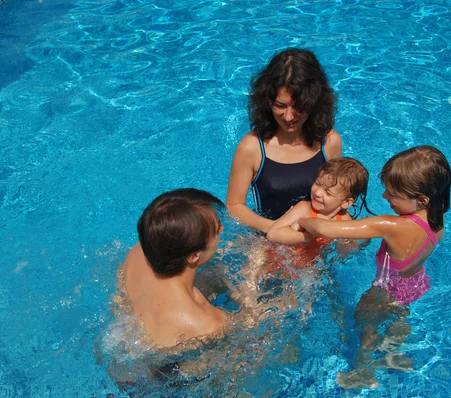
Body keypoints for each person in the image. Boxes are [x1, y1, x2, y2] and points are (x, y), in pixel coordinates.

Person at [298, 145, 451, 389]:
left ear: (421, 199)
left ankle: (362, 371)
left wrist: (302, 216)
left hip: (385, 289)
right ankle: (395, 355)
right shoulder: (438, 220)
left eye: (392, 194)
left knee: (365, 323)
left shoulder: (392, 225)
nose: (384, 197)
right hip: (414, 284)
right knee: (399, 314)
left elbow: (325, 229)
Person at [226, 48, 342, 233]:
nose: (288, 117)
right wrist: (278, 229)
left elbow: (337, 195)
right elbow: (234, 206)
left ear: (314, 102)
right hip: (266, 238)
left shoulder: (329, 142)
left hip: (313, 235)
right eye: (280, 106)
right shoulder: (252, 147)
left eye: (299, 107)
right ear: (267, 103)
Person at [119, 188, 227, 348]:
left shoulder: (138, 253)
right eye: (217, 230)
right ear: (194, 256)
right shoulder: (207, 323)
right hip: (167, 366)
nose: (222, 229)